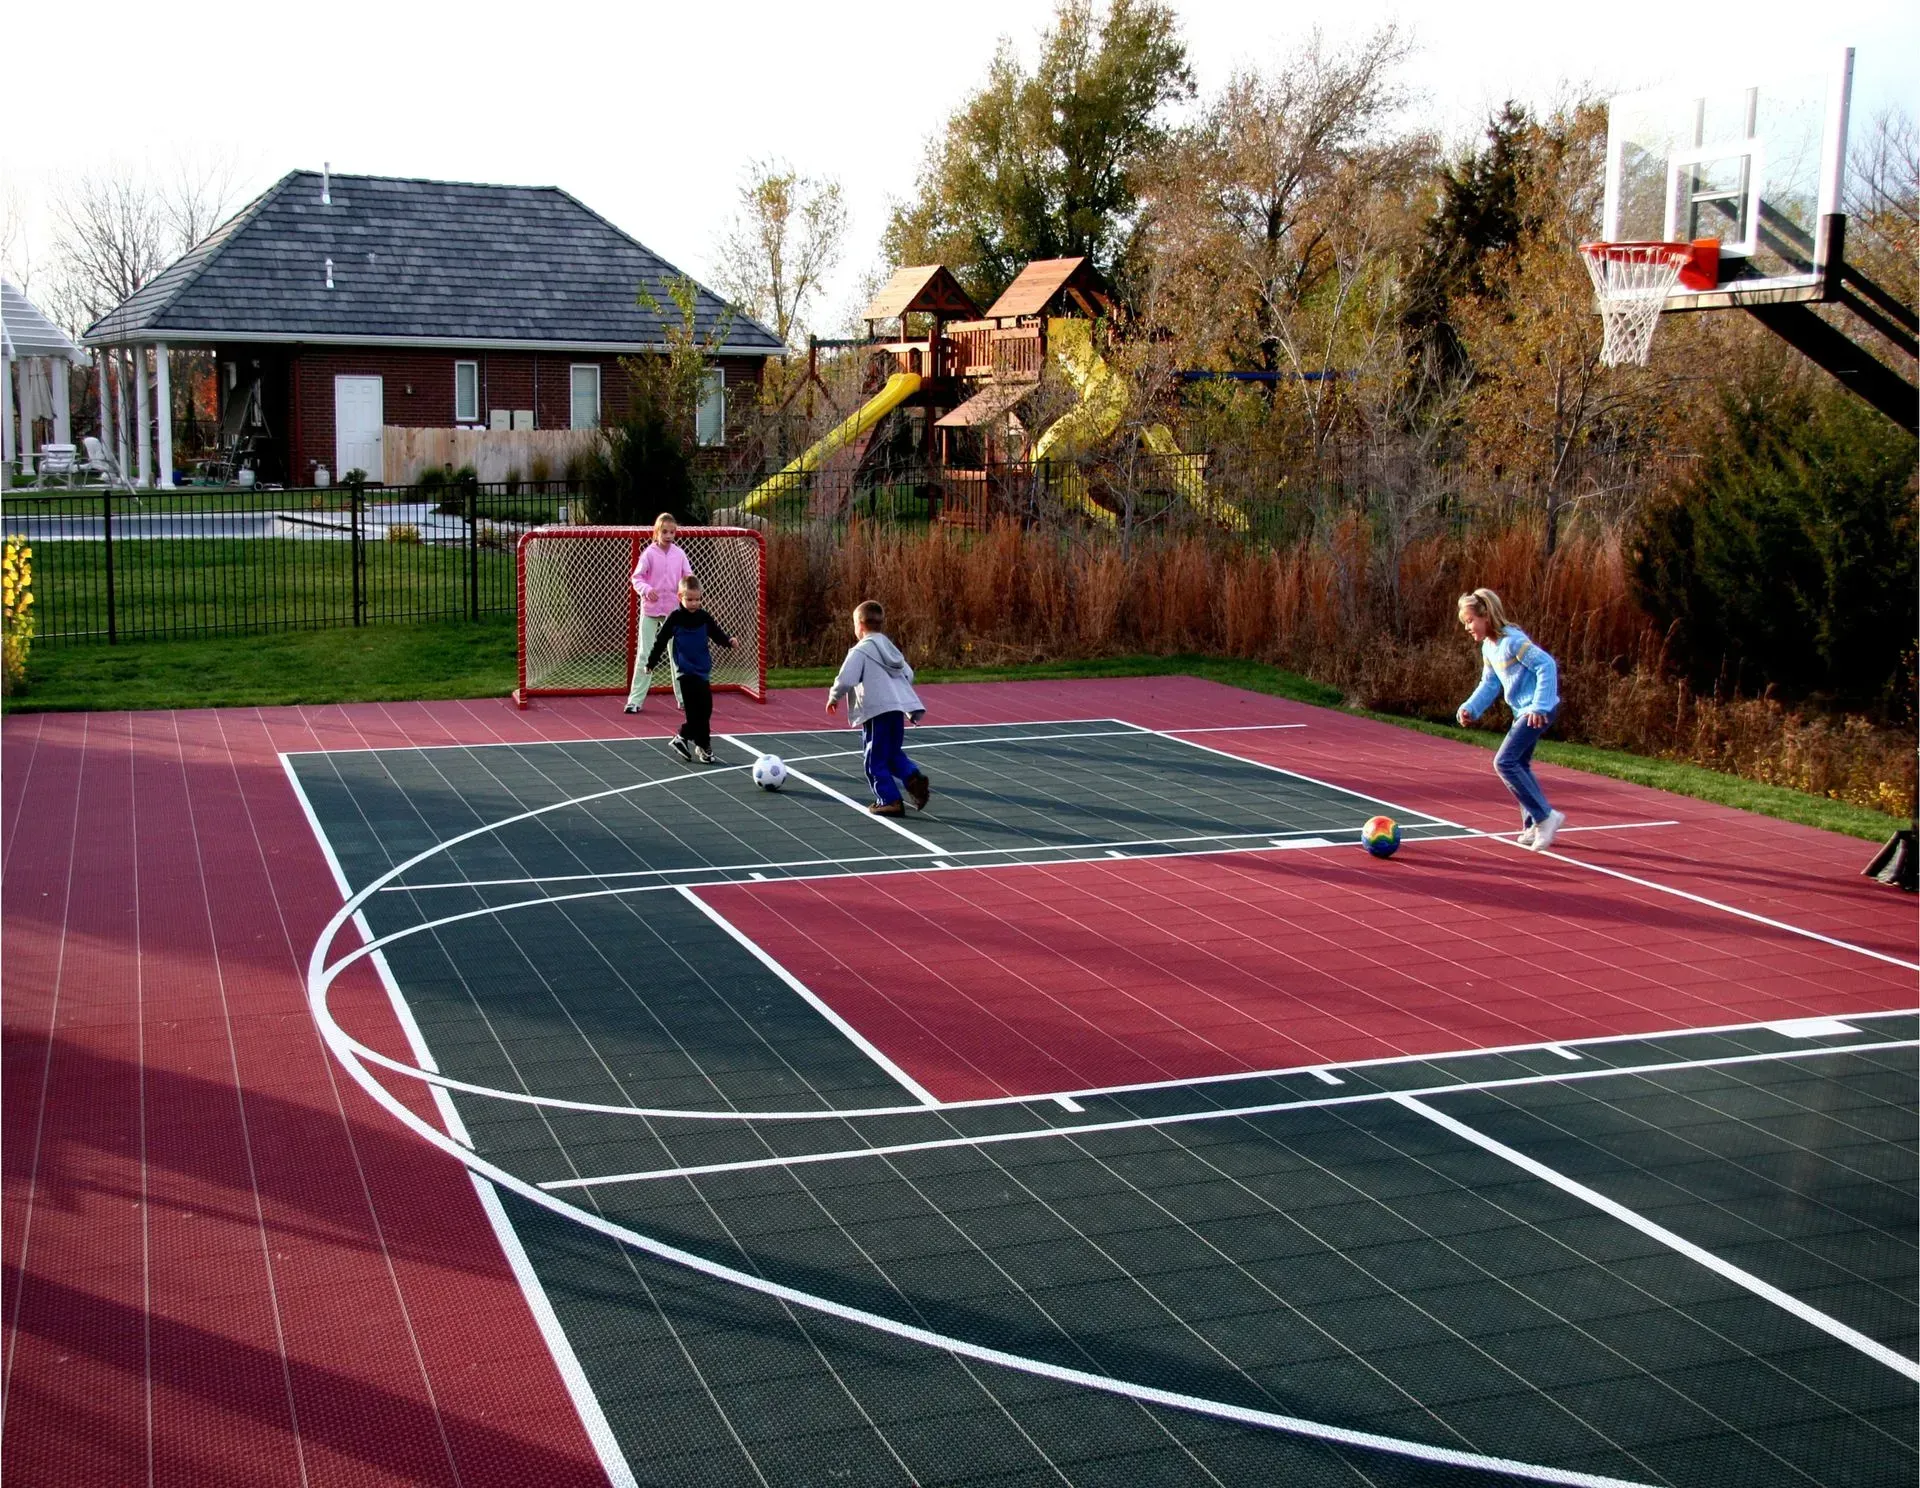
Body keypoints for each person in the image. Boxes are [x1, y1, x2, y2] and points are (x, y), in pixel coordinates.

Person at [1456, 588, 1566, 850]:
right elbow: (1490, 683)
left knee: (1504, 762)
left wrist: (1539, 705)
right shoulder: (1489, 647)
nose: (1467, 627)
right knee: (1520, 764)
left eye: (1470, 621)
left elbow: (1546, 665)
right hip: (1524, 712)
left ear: (1486, 616)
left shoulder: (1513, 641)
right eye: (1465, 623)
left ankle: (1545, 817)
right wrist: (1471, 707)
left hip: (1537, 710)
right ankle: (1531, 824)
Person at [826, 600, 930, 817]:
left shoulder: (861, 650)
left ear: (860, 625)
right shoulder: (890, 648)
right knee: (891, 753)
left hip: (876, 712)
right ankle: (912, 777)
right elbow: (908, 675)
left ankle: (889, 800)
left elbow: (846, 678)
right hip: (896, 711)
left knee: (873, 759)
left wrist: (834, 697)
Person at [645, 576, 736, 764]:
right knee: (695, 713)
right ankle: (702, 745)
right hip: (685, 672)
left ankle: (687, 740)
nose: (694, 603)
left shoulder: (704, 617)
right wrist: (651, 662)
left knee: (706, 711)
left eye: (697, 599)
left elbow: (716, 633)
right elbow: (661, 641)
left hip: (702, 671)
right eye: (690, 599)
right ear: (680, 597)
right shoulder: (675, 618)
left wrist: (728, 641)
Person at [625, 513, 693, 713]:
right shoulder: (649, 554)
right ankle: (635, 701)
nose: (668, 535)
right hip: (651, 610)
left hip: (673, 611)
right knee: (645, 654)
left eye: (672, 532)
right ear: (657, 532)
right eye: (664, 532)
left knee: (678, 654)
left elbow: (688, 576)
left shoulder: (679, 554)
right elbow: (637, 578)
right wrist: (647, 590)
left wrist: (685, 592)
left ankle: (683, 698)